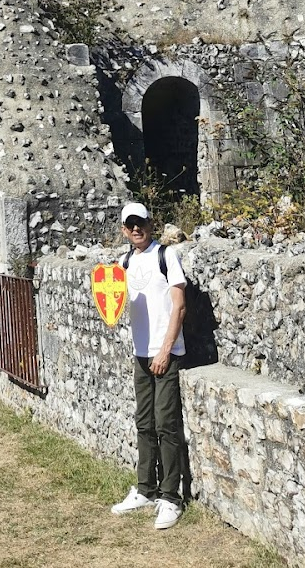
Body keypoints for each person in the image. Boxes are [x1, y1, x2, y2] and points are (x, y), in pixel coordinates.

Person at [110, 201, 187, 531]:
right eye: (130, 224)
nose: (136, 229)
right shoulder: (125, 262)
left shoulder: (166, 256)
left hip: (164, 354)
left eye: (140, 222)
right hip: (141, 354)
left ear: (150, 223)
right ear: (124, 229)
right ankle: (145, 489)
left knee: (166, 423)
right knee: (144, 422)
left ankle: (170, 497)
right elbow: (112, 300)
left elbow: (179, 307)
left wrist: (165, 350)